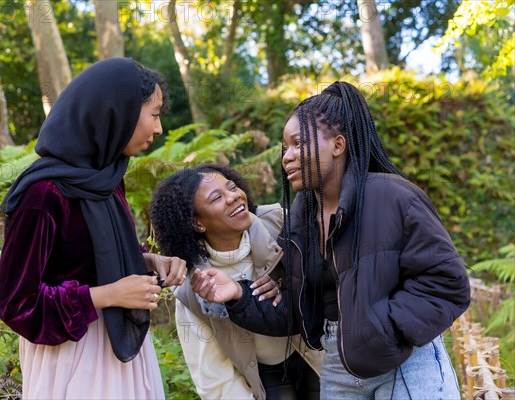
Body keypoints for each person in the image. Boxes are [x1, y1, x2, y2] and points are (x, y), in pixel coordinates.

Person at [190, 82, 470, 399]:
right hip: (337, 366)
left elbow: (448, 281)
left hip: (406, 364)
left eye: (298, 144)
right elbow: (295, 314)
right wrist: (238, 294)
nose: (287, 157)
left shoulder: (392, 196)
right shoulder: (301, 216)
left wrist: (384, 330)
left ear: (338, 145)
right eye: (285, 148)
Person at [0, 58, 187, 399]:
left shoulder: (106, 179)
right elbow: (16, 303)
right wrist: (107, 295)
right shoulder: (44, 194)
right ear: (117, 112)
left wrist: (146, 261)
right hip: (69, 356)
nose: (158, 129)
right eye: (154, 114)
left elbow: (93, 255)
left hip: (119, 342)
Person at [149, 164, 321, 400]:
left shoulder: (281, 223)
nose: (234, 196)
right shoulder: (194, 289)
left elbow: (327, 282)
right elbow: (214, 379)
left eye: (232, 187)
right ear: (197, 223)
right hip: (260, 377)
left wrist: (286, 287)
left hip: (316, 354)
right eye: (217, 198)